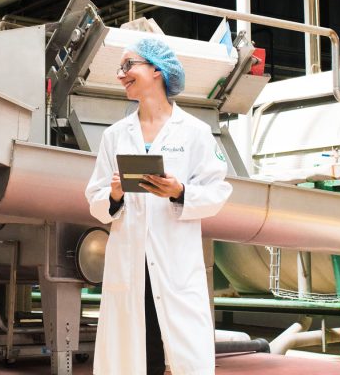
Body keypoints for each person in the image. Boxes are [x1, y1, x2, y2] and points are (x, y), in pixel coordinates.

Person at [85, 37, 232, 375]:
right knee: (135, 358)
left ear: (156, 70)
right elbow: (94, 196)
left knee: (187, 358)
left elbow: (217, 191)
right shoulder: (115, 136)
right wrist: (115, 195)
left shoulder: (194, 133)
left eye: (128, 66)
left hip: (175, 268)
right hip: (130, 268)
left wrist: (179, 191)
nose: (121, 75)